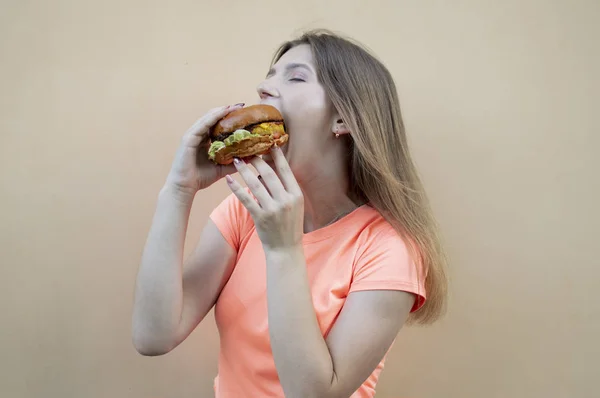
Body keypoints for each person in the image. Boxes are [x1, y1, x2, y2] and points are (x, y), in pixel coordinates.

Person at [132, 29, 449, 398]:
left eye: (295, 77)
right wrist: (177, 190)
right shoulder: (246, 208)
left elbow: (312, 393)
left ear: (343, 119)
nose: (264, 88)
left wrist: (283, 250)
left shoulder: (389, 250)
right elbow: (153, 335)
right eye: (268, 76)